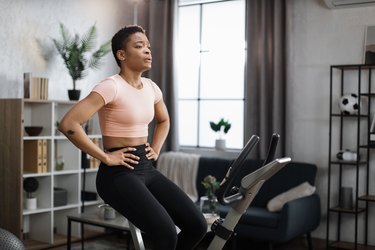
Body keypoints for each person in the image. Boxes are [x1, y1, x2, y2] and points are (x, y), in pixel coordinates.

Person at [58, 25, 207, 250]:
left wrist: (155, 148)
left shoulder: (151, 88)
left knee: (197, 225)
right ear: (122, 54)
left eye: (148, 46)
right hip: (117, 174)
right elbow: (69, 124)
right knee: (166, 233)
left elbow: (164, 120)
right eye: (139, 46)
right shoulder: (111, 86)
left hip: (146, 167)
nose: (148, 51)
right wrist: (105, 157)